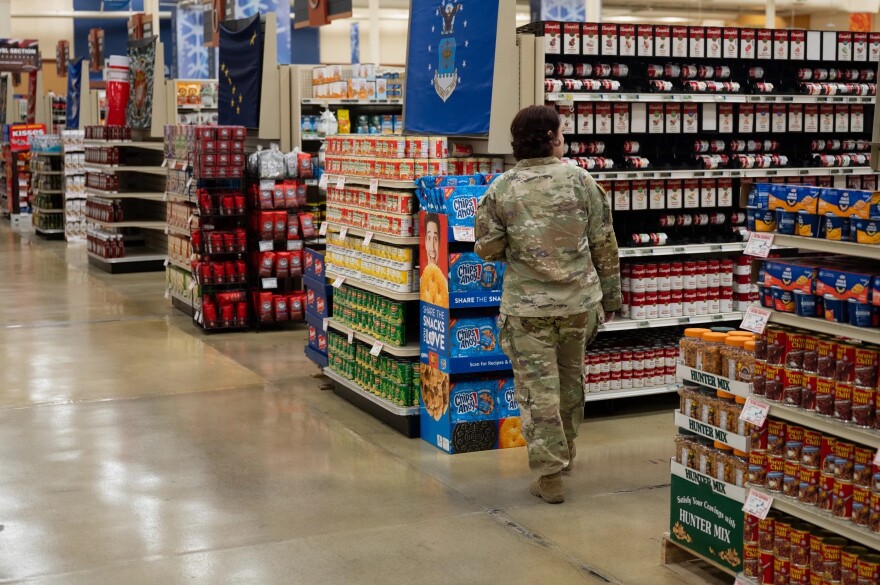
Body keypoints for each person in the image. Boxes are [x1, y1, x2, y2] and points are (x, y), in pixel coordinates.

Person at [474, 105, 621, 504]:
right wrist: (611, 297)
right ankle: (566, 455)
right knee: (571, 383)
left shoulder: (501, 188)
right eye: (562, 131)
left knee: (538, 391)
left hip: (526, 310)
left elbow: (487, 249)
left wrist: (522, 245)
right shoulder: (581, 181)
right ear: (553, 138)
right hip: (578, 304)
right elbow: (604, 243)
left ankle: (550, 473)